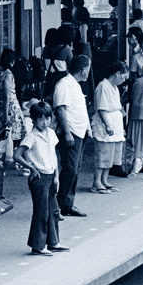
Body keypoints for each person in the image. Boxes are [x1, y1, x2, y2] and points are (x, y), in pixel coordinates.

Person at [14, 102, 69, 256]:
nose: (45, 122)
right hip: (39, 177)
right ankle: (37, 245)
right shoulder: (31, 137)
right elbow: (16, 156)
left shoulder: (51, 133)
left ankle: (53, 242)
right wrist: (31, 168)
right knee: (41, 212)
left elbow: (53, 155)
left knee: (54, 210)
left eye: (47, 118)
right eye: (41, 119)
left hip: (51, 175)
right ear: (34, 120)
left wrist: (56, 176)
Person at [53, 56, 91, 217]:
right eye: (88, 68)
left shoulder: (75, 85)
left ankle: (68, 203)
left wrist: (88, 128)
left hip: (80, 132)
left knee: (75, 169)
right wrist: (67, 132)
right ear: (83, 70)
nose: (89, 71)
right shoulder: (64, 84)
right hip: (71, 133)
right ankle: (59, 205)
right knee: (69, 169)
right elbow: (61, 109)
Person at [91, 62, 128, 193]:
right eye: (123, 77)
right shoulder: (103, 86)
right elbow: (102, 108)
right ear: (117, 74)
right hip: (106, 124)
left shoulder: (115, 87)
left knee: (111, 155)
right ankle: (96, 182)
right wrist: (108, 124)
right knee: (103, 153)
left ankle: (104, 180)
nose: (124, 81)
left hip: (115, 125)